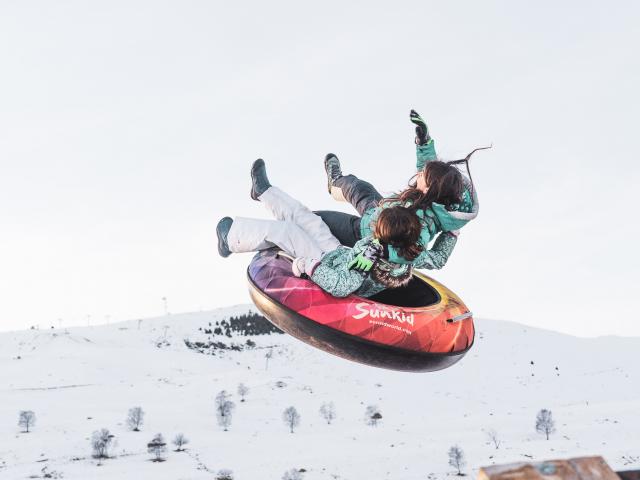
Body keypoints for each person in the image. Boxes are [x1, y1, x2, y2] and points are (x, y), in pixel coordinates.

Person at [216, 159, 423, 298]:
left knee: (289, 232)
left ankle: (232, 239)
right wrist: (452, 230)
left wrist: (308, 266)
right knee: (308, 219)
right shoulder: (404, 247)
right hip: (337, 254)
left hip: (326, 264)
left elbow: (342, 285)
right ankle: (264, 192)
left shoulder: (370, 259)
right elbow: (439, 257)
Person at [316, 109, 483, 271]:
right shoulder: (432, 194)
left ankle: (309, 254)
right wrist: (424, 141)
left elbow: (413, 254)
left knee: (317, 220)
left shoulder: (421, 227)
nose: (419, 173)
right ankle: (336, 183)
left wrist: (381, 251)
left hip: (364, 234)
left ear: (428, 190)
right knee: (358, 187)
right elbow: (429, 166)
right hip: (377, 208)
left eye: (423, 174)